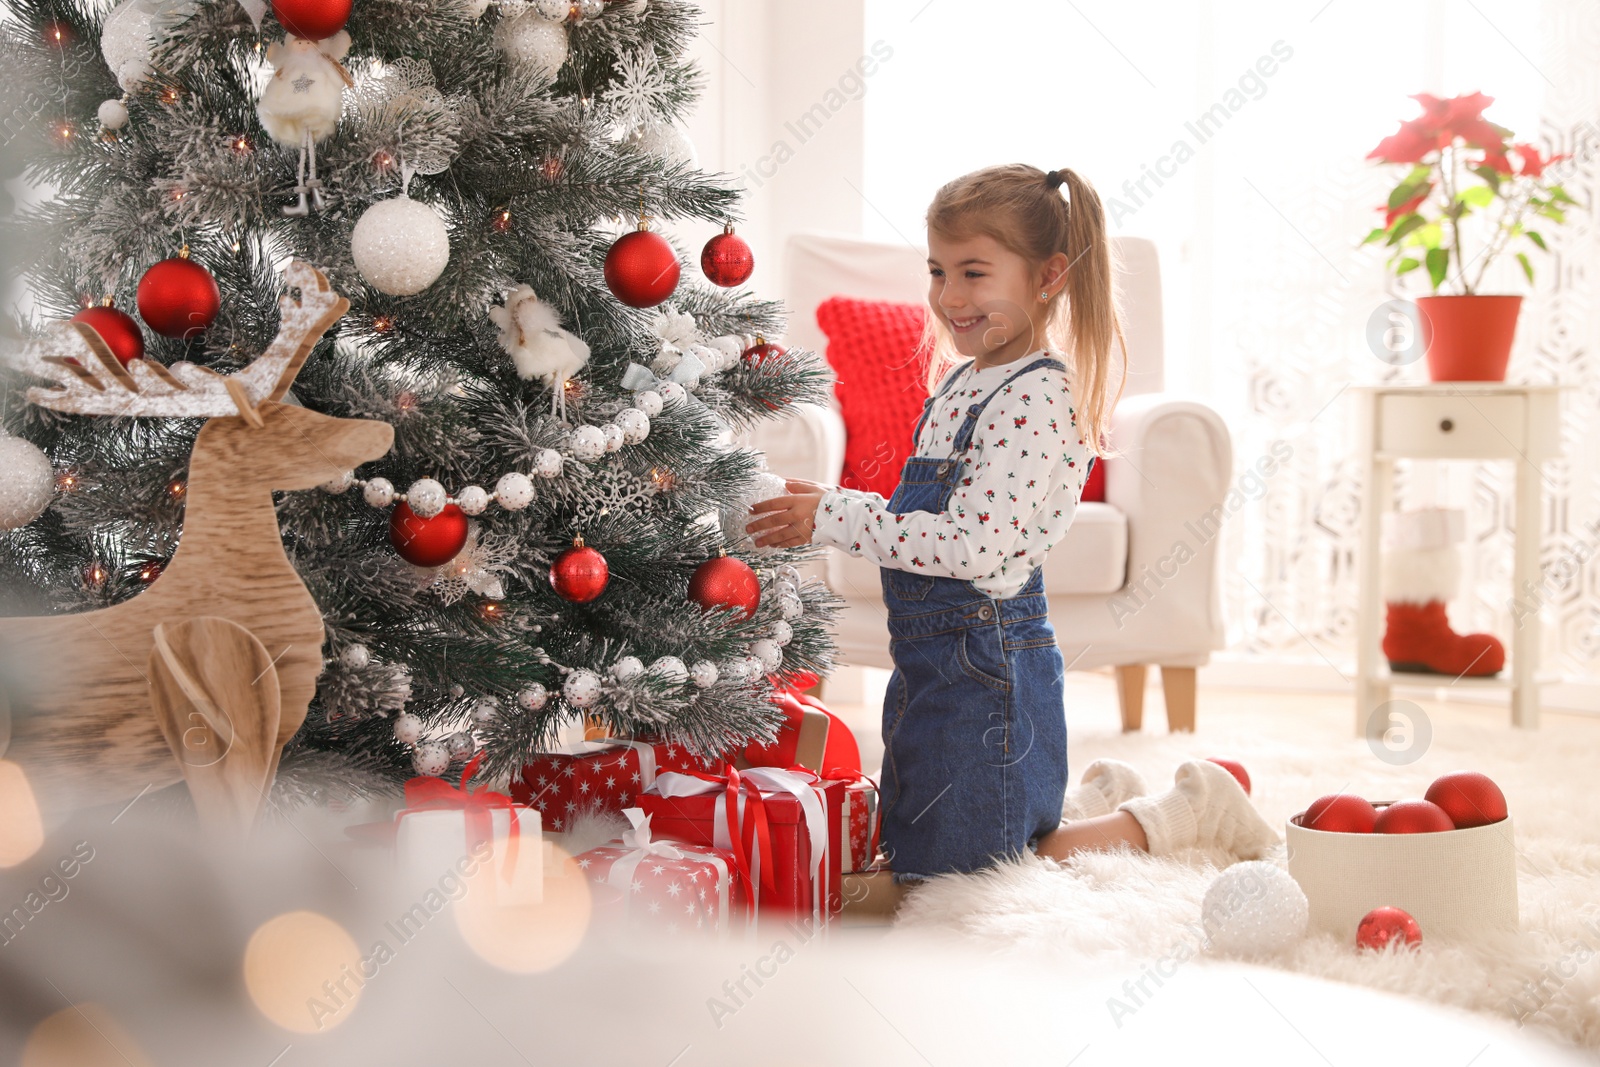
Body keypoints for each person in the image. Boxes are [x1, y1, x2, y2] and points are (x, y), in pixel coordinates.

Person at [746, 164, 1278, 904]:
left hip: (985, 665)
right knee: (925, 838)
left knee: (960, 877)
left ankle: (1181, 812)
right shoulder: (965, 382)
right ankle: (1084, 800)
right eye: (938, 271)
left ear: (1048, 276)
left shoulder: (1038, 393)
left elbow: (974, 547)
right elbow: (929, 521)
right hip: (934, 661)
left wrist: (836, 515)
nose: (949, 297)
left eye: (973, 272)